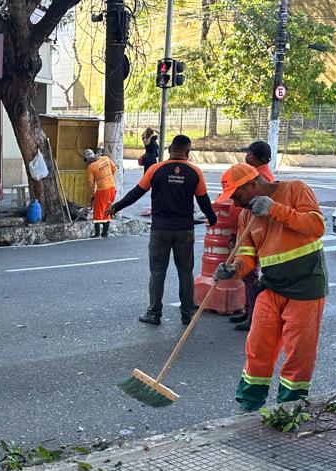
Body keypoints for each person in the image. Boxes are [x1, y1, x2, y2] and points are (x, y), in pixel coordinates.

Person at [214, 163, 328, 411]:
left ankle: (289, 408)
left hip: (306, 287)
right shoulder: (247, 216)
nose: (236, 204)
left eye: (237, 196)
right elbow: (246, 257)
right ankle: (249, 404)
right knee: (257, 347)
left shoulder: (295, 190)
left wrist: (274, 209)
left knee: (299, 353)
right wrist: (233, 269)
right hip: (272, 287)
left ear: (252, 185)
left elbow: (316, 227)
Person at [110, 134, 217, 326]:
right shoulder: (195, 172)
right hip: (184, 230)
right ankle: (187, 314)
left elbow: (136, 193)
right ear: (188, 152)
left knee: (157, 272)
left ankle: (154, 313)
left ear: (169, 150)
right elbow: (203, 200)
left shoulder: (155, 169)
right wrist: (213, 219)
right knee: (185, 272)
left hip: (160, 230)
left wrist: (116, 207)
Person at [229, 141, 277, 332]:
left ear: (252, 156)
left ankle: (252, 313)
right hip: (243, 233)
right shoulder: (258, 174)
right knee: (247, 276)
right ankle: (249, 309)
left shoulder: (260, 177)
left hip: (251, 235)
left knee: (250, 276)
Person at [82, 148, 117, 238]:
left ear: (87, 159)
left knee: (98, 211)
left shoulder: (91, 167)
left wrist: (93, 195)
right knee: (108, 209)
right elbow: (114, 168)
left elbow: (90, 183)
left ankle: (97, 233)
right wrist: (109, 178)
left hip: (103, 190)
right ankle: (105, 232)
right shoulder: (105, 158)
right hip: (112, 188)